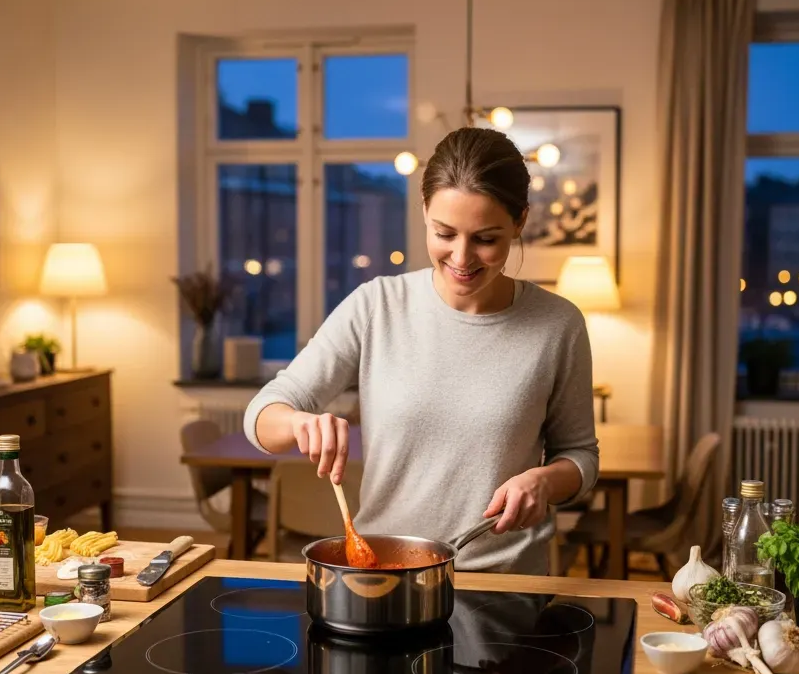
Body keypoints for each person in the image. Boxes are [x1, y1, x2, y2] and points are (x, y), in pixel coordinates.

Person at [243, 127, 599, 574]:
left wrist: (544, 480)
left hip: (505, 585)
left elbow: (581, 456)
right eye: (444, 233)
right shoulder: (376, 305)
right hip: (387, 578)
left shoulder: (558, 324)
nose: (462, 257)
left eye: (486, 239)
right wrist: (298, 422)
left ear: (520, 222)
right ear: (424, 210)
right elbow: (261, 416)